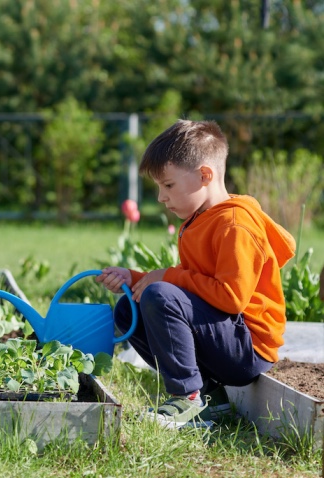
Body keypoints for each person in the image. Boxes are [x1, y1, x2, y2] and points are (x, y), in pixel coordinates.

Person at [96, 119, 296, 429]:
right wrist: (134, 279)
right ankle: (210, 398)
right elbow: (192, 286)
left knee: (160, 294)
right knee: (128, 308)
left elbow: (230, 298)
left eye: (169, 185)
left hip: (248, 348)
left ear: (205, 175)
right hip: (225, 334)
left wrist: (165, 279)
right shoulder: (200, 218)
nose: (162, 197)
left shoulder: (234, 225)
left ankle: (186, 397)